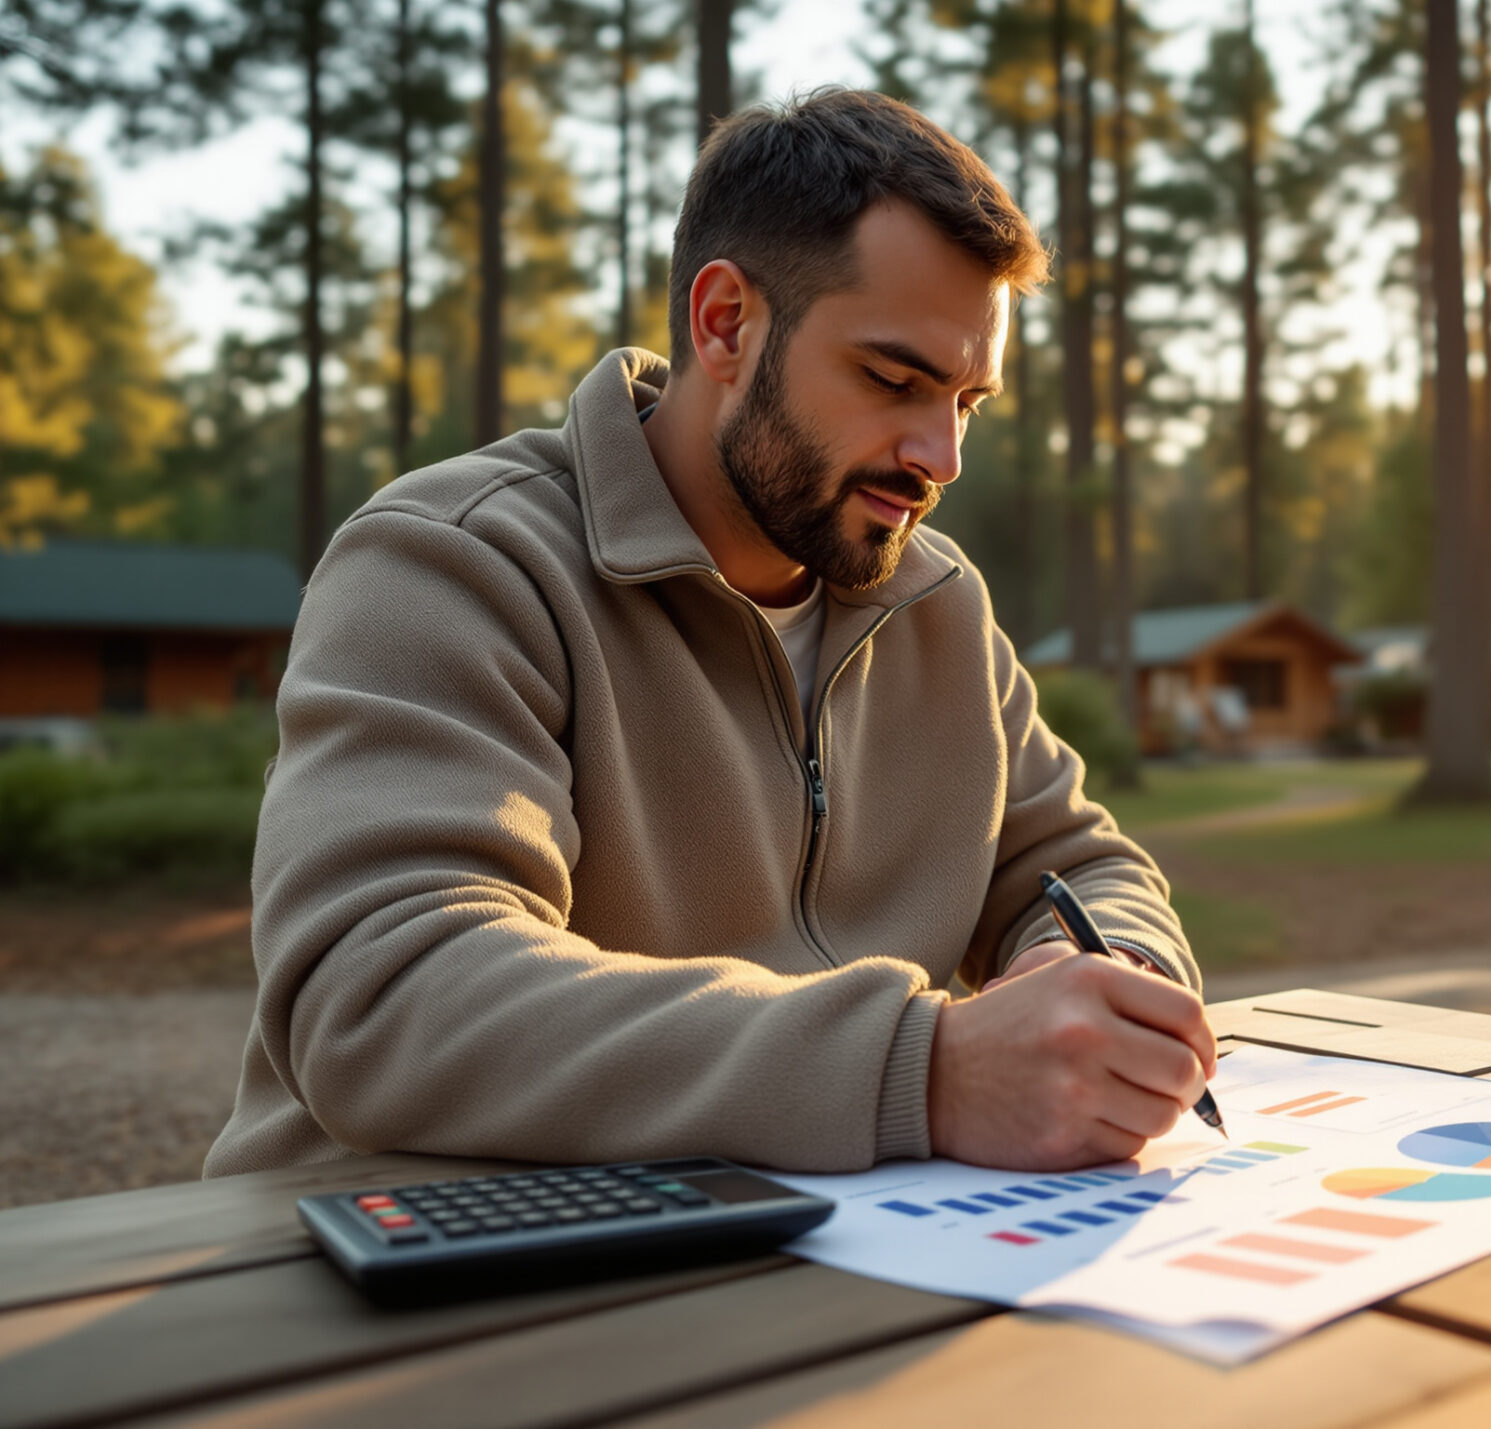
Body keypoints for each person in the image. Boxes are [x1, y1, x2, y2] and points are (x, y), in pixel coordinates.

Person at [204, 89, 1214, 1180]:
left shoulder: (935, 602)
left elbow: (1076, 863)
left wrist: (1091, 982)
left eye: (967, 400)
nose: (940, 454)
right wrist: (925, 1071)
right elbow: (386, 995)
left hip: (794, 1250)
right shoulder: (455, 560)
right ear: (724, 322)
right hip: (407, 1274)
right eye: (894, 379)